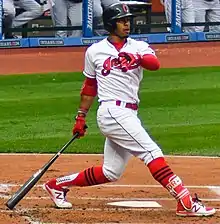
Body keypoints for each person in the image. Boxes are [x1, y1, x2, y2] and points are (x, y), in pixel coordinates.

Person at [43, 2, 216, 217]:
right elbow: (89, 86)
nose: (127, 24)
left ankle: (56, 185)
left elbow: (154, 64)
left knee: (111, 172)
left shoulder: (138, 46)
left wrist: (138, 58)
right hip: (112, 112)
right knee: (152, 152)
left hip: (127, 113)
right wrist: (80, 117)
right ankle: (186, 201)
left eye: (128, 21)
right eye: (122, 21)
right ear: (110, 24)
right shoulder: (94, 51)